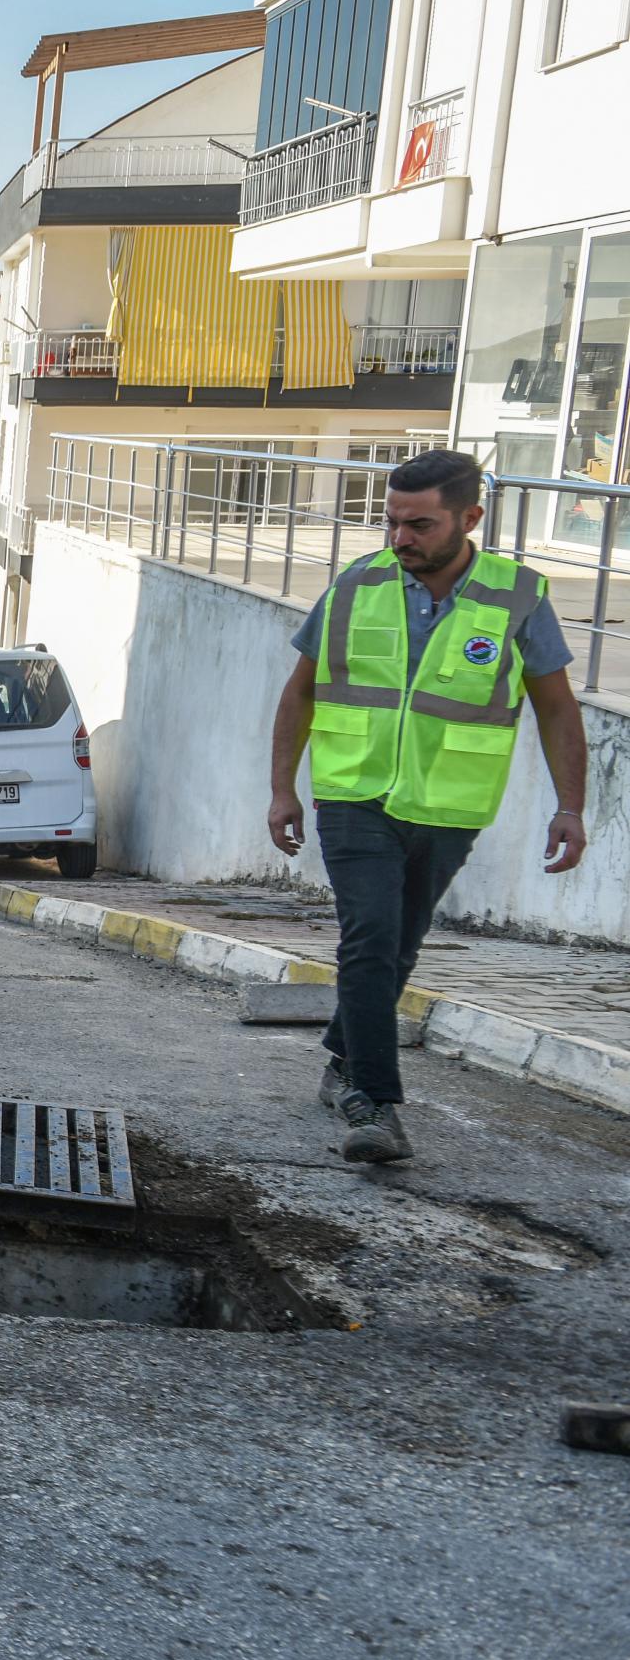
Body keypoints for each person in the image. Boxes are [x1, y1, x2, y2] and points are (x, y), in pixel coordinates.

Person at [267, 449, 590, 1164]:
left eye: (420, 524)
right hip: (353, 793)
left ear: (470, 518)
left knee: (401, 944)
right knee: (372, 937)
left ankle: (342, 1059)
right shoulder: (356, 585)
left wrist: (570, 807)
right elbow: (301, 691)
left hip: (449, 804)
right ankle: (374, 1104)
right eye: (391, 522)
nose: (400, 538)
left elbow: (558, 709)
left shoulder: (519, 597)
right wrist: (282, 787)